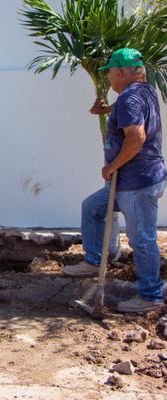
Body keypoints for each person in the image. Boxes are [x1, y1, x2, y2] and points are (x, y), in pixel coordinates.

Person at [63, 48, 167, 313]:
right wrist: (109, 109)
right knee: (93, 207)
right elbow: (133, 114)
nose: (108, 77)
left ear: (120, 72)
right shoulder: (143, 92)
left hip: (136, 181)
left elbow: (137, 137)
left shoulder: (130, 98)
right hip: (135, 180)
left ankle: (150, 296)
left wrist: (112, 166)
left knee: (141, 239)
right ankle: (93, 261)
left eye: (109, 71)